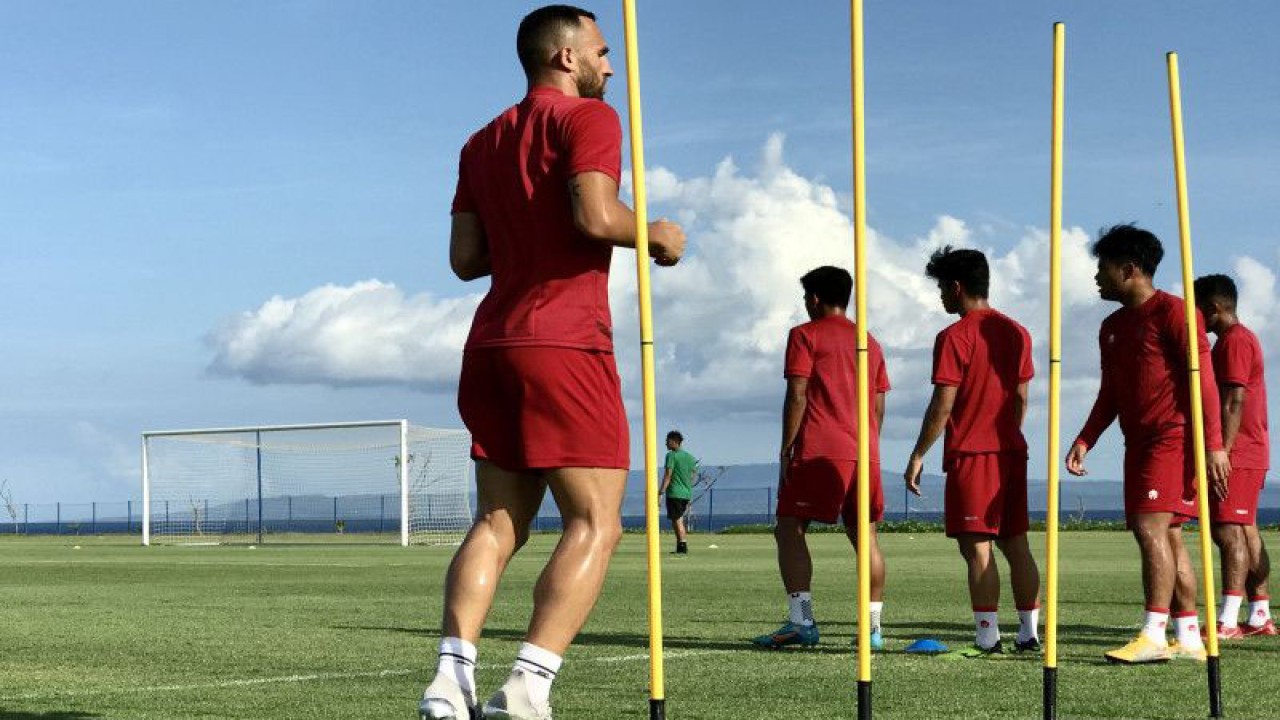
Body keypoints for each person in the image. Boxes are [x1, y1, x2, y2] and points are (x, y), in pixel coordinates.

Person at [420, 5, 686, 719]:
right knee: (595, 521)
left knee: (497, 522)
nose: (610, 66)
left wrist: (525, 231)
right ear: (566, 57)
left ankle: (450, 681)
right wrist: (655, 234)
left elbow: (465, 259)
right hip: (564, 343)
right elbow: (595, 215)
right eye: (602, 52)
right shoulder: (589, 119)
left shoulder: (480, 141)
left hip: (492, 344)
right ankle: (528, 685)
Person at [1066, 224, 1228, 664]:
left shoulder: (1175, 313)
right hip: (1136, 441)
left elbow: (1205, 383)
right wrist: (1086, 438)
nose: (1096, 277)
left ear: (1129, 269)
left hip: (1172, 438)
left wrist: (1214, 444)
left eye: (1102, 268)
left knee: (1149, 528)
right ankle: (1189, 635)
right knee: (1169, 535)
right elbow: (1111, 392)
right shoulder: (1111, 326)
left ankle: (1153, 634)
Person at [903, 247, 1042, 656]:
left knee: (977, 546)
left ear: (956, 287)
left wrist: (918, 453)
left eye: (941, 289)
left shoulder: (954, 337)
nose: (940, 298)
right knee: (1017, 544)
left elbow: (942, 404)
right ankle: (1029, 634)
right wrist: (1006, 434)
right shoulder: (1018, 332)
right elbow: (1021, 397)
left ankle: (987, 637)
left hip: (973, 453)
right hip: (1011, 450)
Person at [752, 266, 890, 651]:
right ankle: (873, 629)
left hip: (820, 448)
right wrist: (867, 442)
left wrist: (786, 448)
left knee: (789, 527)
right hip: (866, 450)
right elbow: (879, 405)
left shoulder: (804, 334)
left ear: (814, 299)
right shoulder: (870, 341)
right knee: (866, 537)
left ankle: (801, 622)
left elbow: (797, 394)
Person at [1194, 274, 1275, 638]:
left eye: (1197, 310)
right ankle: (1259, 615)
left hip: (1238, 453)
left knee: (1227, 530)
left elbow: (1233, 400)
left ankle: (1227, 621)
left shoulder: (1235, 341)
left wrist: (1221, 452)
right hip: (1247, 451)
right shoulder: (1236, 340)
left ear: (1213, 308)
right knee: (1244, 530)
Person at [659, 430, 697, 554]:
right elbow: (693, 476)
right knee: (677, 519)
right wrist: (687, 486)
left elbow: (668, 475)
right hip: (686, 494)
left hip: (674, 493)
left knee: (677, 520)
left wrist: (661, 492)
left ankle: (682, 546)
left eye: (667, 441)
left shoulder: (671, 455)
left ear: (674, 442)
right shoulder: (690, 457)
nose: (666, 444)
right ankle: (680, 545)